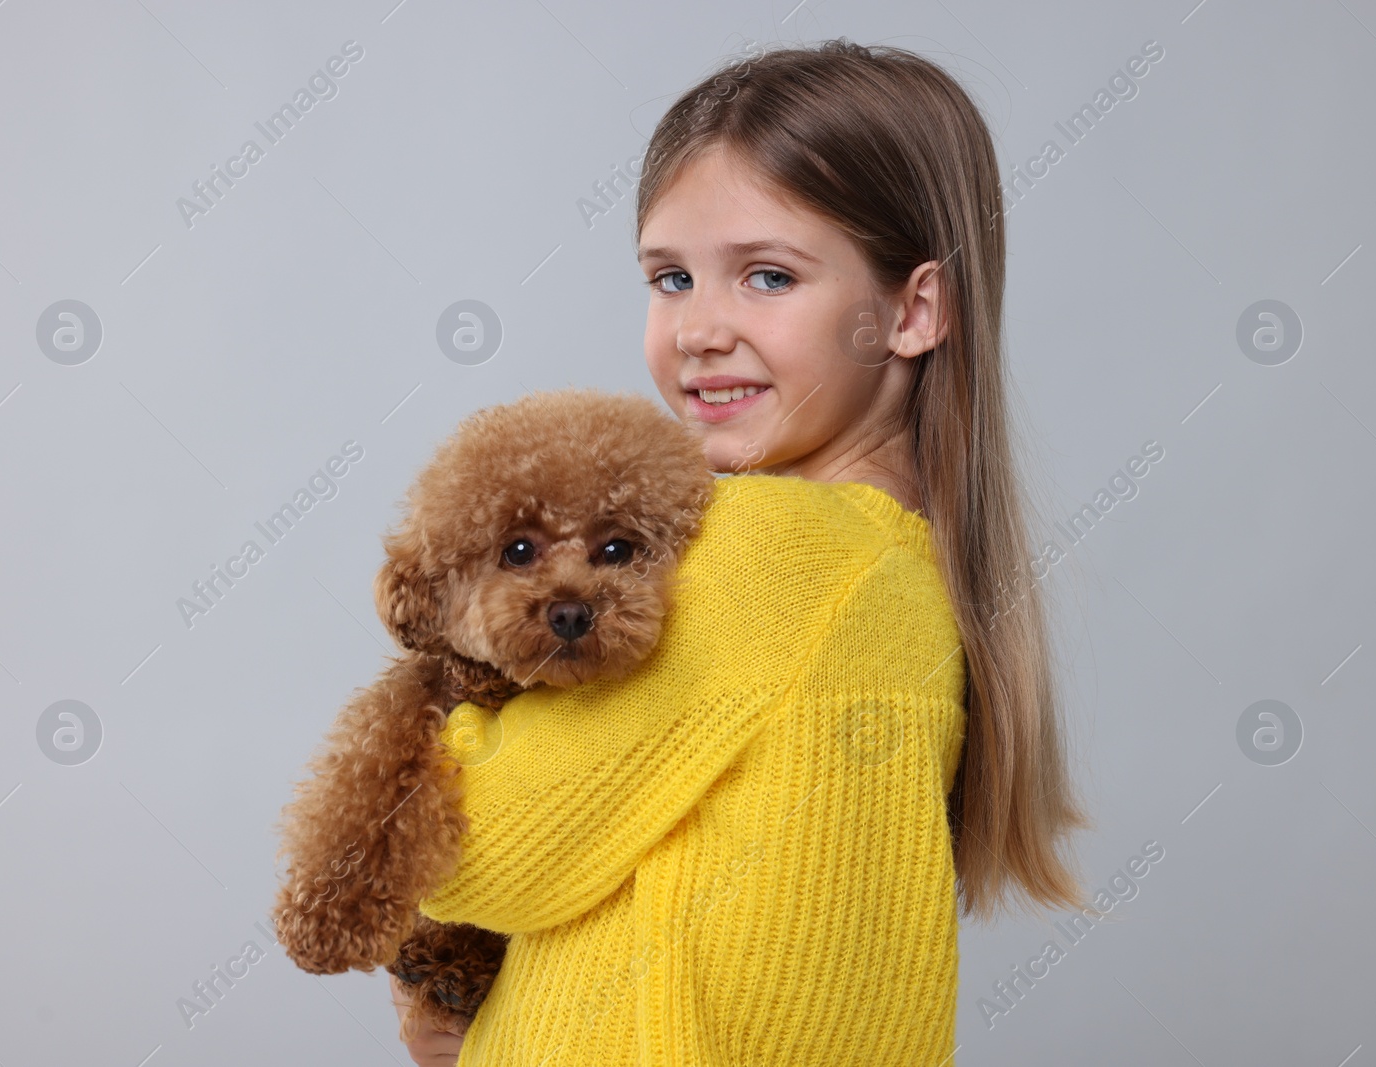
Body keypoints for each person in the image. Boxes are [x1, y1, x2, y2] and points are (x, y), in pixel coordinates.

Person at [397, 37, 1091, 1065]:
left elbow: (473, 846)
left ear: (911, 309)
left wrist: (434, 732)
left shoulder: (774, 550)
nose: (699, 329)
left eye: (767, 275)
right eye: (670, 276)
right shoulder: (902, 570)